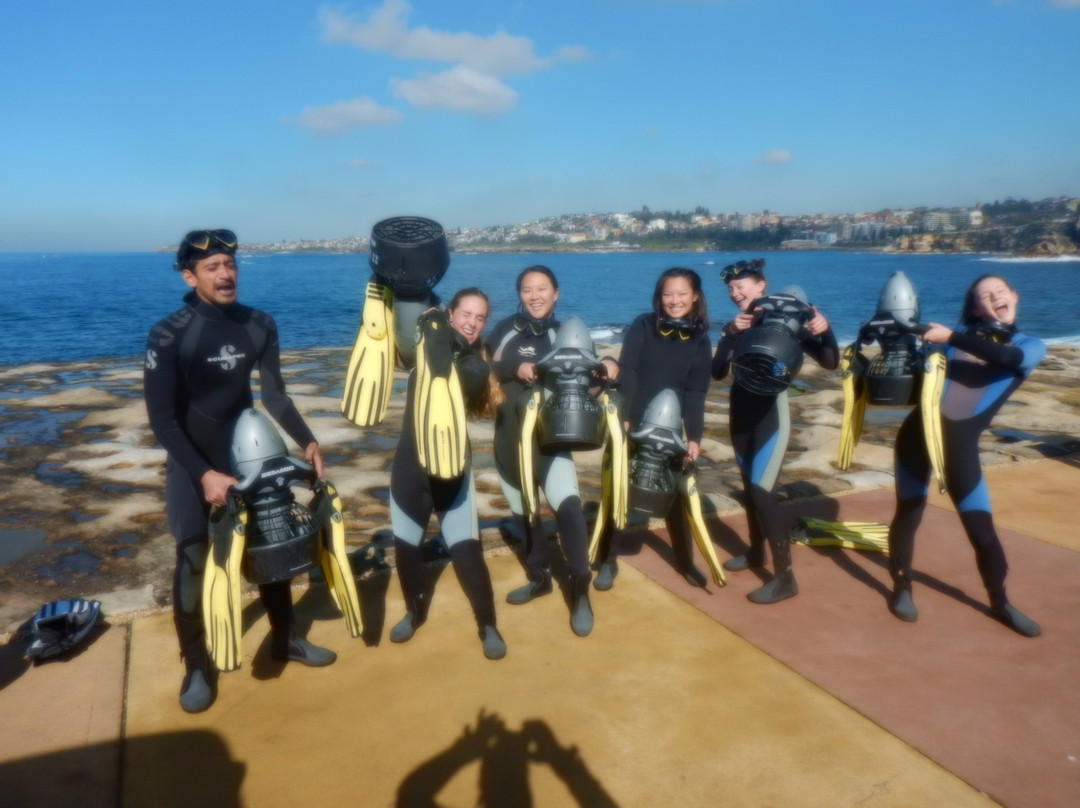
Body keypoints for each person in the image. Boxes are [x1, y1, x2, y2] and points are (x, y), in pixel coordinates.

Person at [144, 229, 333, 714]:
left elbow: (275, 396)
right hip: (193, 463)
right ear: (190, 277)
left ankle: (285, 639)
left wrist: (307, 440)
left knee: (271, 547)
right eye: (212, 267)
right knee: (193, 562)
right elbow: (162, 420)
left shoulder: (258, 324)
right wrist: (203, 474)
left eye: (230, 264)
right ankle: (195, 664)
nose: (225, 274)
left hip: (247, 457)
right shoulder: (169, 334)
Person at [887, 275, 1044, 636]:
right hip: (915, 439)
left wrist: (951, 338)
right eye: (985, 296)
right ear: (975, 308)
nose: (995, 297)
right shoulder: (950, 337)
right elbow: (915, 369)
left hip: (960, 450)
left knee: (982, 531)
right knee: (908, 515)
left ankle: (1000, 602)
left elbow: (1007, 358)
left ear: (1014, 296)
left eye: (1000, 292)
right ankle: (902, 586)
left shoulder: (1029, 345)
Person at [486, 266, 618, 637]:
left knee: (570, 511)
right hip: (508, 441)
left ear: (556, 293)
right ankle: (539, 578)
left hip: (550, 443)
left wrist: (609, 366)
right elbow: (485, 366)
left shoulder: (567, 334)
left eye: (542, 288)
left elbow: (593, 378)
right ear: (520, 295)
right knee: (525, 517)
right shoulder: (505, 330)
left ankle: (581, 591)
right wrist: (516, 367)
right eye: (527, 289)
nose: (535, 296)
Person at [388, 288, 508, 659]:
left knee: (467, 551)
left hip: (451, 473)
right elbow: (399, 333)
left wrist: (434, 324)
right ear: (451, 313)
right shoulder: (425, 345)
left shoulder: (475, 367)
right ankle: (414, 612)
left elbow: (448, 371)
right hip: (409, 471)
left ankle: (487, 624)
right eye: (466, 314)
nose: (472, 323)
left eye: (480, 317)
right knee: (407, 549)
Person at [711, 259, 839, 604]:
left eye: (741, 286)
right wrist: (730, 333)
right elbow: (718, 372)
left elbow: (830, 362)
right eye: (730, 289)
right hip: (740, 416)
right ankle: (756, 552)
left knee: (762, 491)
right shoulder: (740, 325)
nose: (735, 293)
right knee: (750, 490)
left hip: (771, 416)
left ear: (761, 286)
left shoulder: (790, 325)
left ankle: (785, 578)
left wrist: (825, 330)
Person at [592, 267, 713, 589]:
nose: (674, 300)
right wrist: (625, 415)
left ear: (695, 296)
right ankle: (607, 560)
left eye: (682, 294)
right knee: (617, 491)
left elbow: (695, 392)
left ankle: (685, 561)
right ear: (659, 296)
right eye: (667, 294)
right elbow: (629, 369)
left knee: (678, 495)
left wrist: (694, 437)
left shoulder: (701, 340)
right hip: (632, 423)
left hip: (670, 429)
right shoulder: (644, 324)